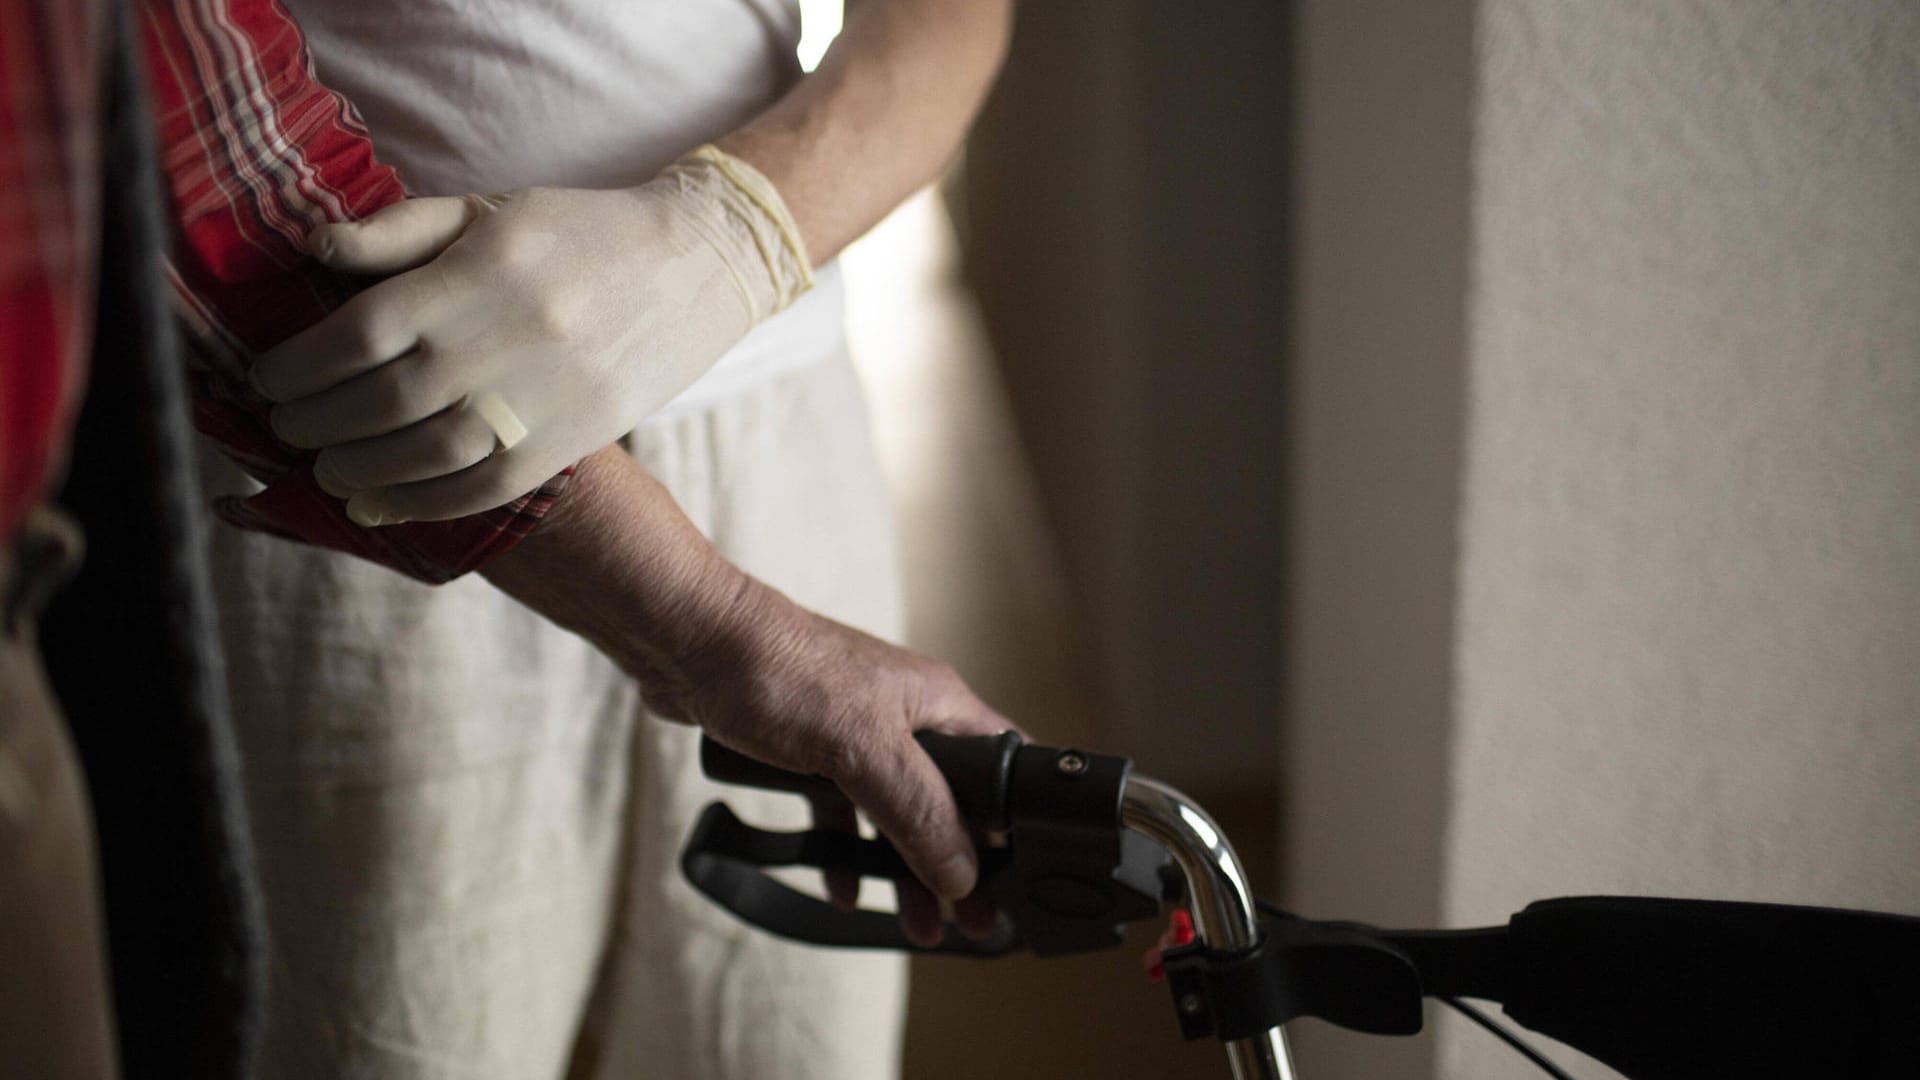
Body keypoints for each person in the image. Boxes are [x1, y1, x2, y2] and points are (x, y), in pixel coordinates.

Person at [140, 0, 1016, 1077]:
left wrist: (733, 232)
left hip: (778, 404)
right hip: (375, 472)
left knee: (785, 1045)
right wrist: (719, 624)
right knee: (399, 1037)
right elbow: (178, 132)